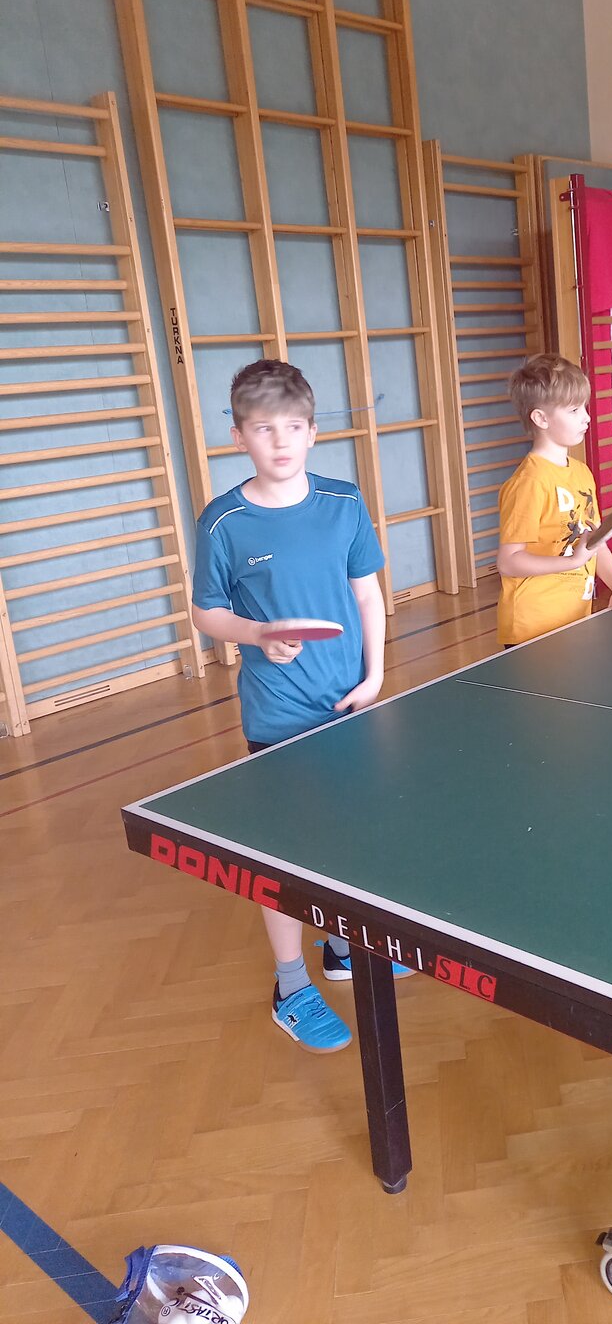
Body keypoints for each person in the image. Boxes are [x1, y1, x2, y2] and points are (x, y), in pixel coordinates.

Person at [191, 359, 388, 1053]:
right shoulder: (224, 522)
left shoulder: (343, 502)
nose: (280, 441)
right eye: (263, 428)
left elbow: (368, 594)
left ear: (312, 431)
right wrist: (256, 635)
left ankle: (339, 946)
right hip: (278, 716)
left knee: (349, 833)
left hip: (350, 703)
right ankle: (290, 985)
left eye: (293, 426)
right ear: (239, 435)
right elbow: (206, 612)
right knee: (284, 855)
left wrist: (375, 675)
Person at [496, 353, 612, 647]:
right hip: (532, 628)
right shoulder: (530, 483)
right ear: (541, 418)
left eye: (584, 407)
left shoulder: (581, 472)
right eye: (574, 409)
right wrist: (572, 562)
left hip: (573, 619)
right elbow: (509, 562)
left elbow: (594, 542)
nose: (586, 417)